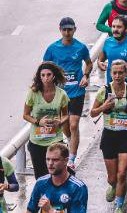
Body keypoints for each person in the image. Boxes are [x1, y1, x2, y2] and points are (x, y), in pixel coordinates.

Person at [90, 60, 127, 209]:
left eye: (120, 72)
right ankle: (112, 186)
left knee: (122, 174)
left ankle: (119, 206)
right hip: (109, 137)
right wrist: (104, 107)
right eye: (114, 73)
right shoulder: (104, 91)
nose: (117, 76)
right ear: (110, 74)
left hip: (126, 135)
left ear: (126, 73)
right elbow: (93, 113)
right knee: (113, 178)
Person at [41, 18, 92, 165]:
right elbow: (44, 68)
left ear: (75, 29)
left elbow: (88, 63)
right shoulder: (52, 49)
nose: (67, 32)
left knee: (74, 124)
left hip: (76, 91)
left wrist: (86, 76)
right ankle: (70, 140)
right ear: (60, 30)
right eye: (64, 29)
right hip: (59, 94)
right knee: (64, 125)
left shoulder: (81, 47)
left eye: (70, 29)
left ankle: (72, 159)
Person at [22, 62, 70, 178]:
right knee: (40, 177)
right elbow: (25, 115)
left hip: (55, 139)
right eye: (42, 75)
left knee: (56, 174)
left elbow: (66, 115)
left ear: (54, 76)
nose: (45, 78)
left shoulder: (61, 94)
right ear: (39, 76)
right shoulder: (33, 93)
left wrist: (60, 122)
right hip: (37, 141)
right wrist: (39, 122)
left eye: (48, 75)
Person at [25, 143, 88, 213]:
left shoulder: (77, 188)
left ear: (66, 161)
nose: (50, 163)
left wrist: (50, 210)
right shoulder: (40, 183)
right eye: (48, 159)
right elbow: (30, 210)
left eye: (55, 160)